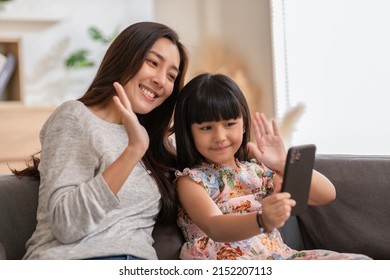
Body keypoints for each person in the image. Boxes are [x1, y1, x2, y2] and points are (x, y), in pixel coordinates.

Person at [14, 21, 189, 260]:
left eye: (171, 75)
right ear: (126, 57)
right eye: (153, 63)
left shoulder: (154, 145)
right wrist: (133, 150)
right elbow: (66, 224)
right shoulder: (75, 117)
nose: (161, 80)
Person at [173, 73, 371, 260]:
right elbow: (214, 226)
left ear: (243, 125)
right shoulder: (191, 181)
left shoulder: (257, 172)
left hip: (278, 257)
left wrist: (282, 164)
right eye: (206, 128)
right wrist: (261, 220)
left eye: (229, 124)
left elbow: (326, 194)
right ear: (189, 132)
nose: (220, 137)